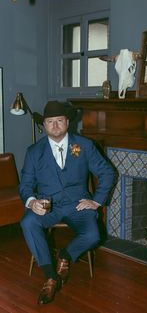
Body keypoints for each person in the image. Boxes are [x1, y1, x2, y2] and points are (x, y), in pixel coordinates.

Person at [19, 100, 115, 305]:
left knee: (93, 234)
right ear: (44, 125)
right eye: (50, 121)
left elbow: (107, 172)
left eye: (59, 120)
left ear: (67, 122)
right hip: (48, 206)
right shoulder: (34, 152)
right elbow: (25, 184)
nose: (55, 125)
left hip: (77, 205)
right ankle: (51, 276)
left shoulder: (84, 145)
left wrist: (97, 201)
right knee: (28, 222)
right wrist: (31, 201)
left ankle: (65, 255)